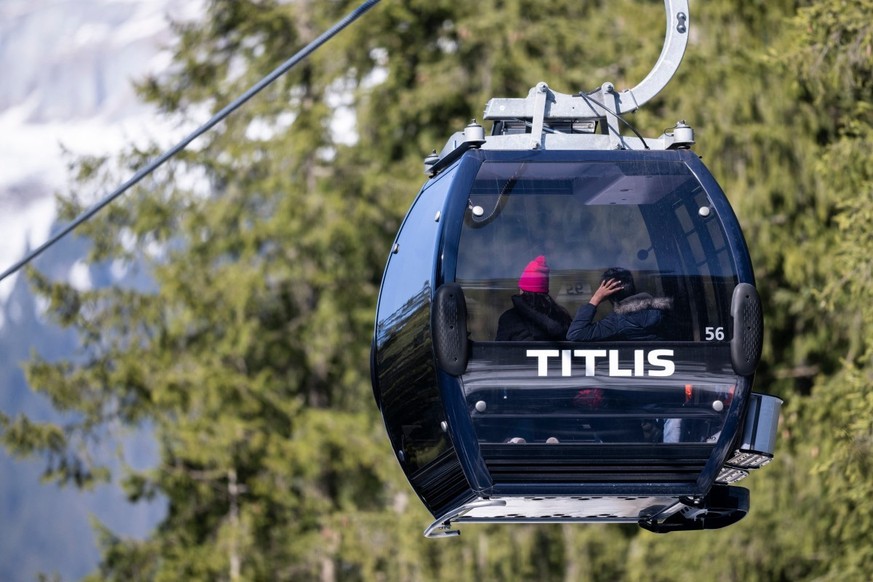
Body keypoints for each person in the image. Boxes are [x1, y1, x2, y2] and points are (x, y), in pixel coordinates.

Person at [566, 267, 672, 342]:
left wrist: (596, 298)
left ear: (608, 294)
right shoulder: (664, 310)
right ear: (633, 287)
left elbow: (575, 334)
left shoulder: (617, 321)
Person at [496, 255, 572, 341]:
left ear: (522, 290)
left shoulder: (510, 318)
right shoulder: (561, 318)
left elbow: (498, 348)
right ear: (545, 291)